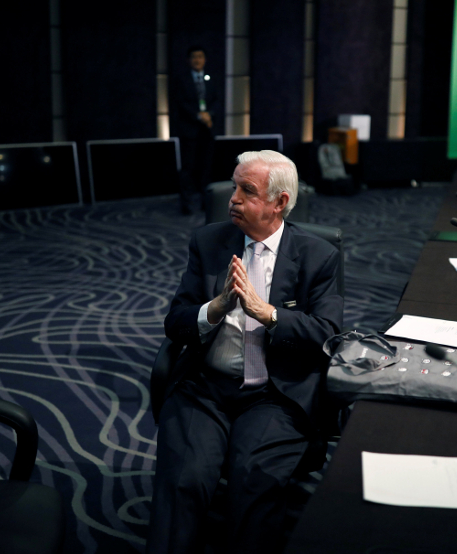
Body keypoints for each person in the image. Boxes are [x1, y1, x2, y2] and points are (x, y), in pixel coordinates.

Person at [147, 151, 343, 554]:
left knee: (253, 479)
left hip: (275, 395)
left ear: (279, 203)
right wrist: (212, 310)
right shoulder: (209, 242)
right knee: (184, 478)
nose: (232, 198)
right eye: (234, 185)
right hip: (205, 389)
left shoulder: (318, 256)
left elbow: (328, 335)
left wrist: (267, 313)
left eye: (246, 190)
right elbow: (175, 322)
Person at [172, 45, 219, 214]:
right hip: (189, 130)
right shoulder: (181, 79)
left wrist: (209, 114)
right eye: (194, 57)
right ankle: (186, 203)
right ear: (189, 60)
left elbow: (216, 100)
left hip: (207, 130)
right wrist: (199, 115)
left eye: (200, 57)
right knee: (188, 167)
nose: (197, 60)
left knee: (206, 167)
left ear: (204, 60)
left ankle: (206, 202)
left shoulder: (211, 78)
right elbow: (181, 103)